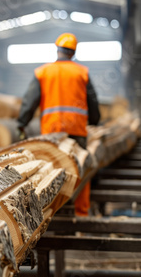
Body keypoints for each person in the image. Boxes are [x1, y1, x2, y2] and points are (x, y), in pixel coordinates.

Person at [17, 32, 100, 216]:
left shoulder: (43, 72)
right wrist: (95, 121)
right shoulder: (82, 73)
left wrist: (22, 122)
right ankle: (81, 213)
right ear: (73, 52)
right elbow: (92, 101)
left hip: (51, 131)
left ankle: (52, 212)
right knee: (80, 170)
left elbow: (30, 100)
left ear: (58, 50)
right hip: (76, 130)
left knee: (51, 170)